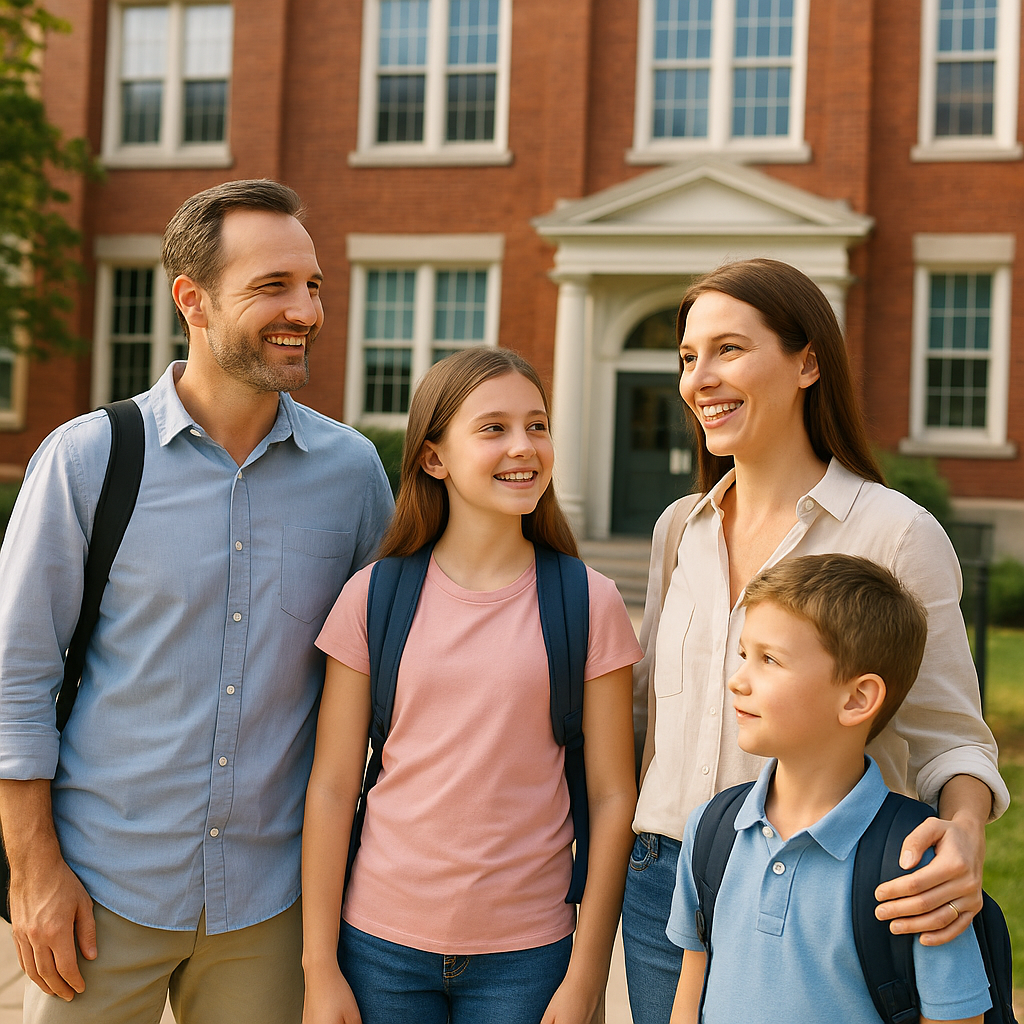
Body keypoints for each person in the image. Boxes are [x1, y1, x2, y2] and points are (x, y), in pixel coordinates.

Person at [0, 179, 394, 1024]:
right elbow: (16, 678)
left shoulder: (353, 474)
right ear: (193, 299)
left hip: (273, 902)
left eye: (314, 285)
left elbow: (389, 679)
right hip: (101, 893)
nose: (308, 310)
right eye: (274, 287)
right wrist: (33, 872)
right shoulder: (86, 462)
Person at [622, 258, 1008, 1024]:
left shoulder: (894, 531)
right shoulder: (679, 529)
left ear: (808, 361)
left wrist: (964, 835)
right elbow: (645, 727)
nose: (700, 377)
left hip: (819, 891)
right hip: (665, 881)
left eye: (729, 349)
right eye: (688, 357)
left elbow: (950, 738)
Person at [301, 346, 641, 1024]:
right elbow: (335, 786)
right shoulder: (373, 597)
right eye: (494, 429)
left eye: (537, 425)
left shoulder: (588, 601)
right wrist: (319, 968)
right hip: (378, 947)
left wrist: (585, 978)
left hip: (530, 955)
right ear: (434, 457)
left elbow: (611, 797)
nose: (524, 447)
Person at [667, 553, 991, 1024]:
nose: (738, 681)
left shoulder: (916, 864)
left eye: (769, 660)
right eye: (744, 655)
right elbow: (693, 983)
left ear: (857, 698)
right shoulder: (713, 830)